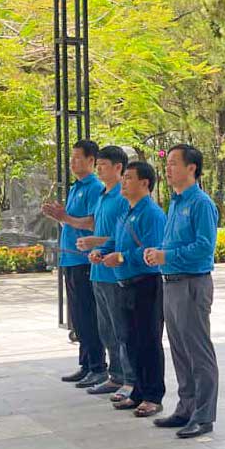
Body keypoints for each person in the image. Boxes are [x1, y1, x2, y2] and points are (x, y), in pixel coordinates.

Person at [144, 144, 220, 439]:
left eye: (174, 163)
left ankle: (204, 415)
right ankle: (185, 407)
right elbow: (172, 243)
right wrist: (158, 253)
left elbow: (204, 247)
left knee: (197, 350)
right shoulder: (175, 203)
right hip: (171, 282)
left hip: (192, 283)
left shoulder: (201, 203)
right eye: (168, 163)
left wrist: (167, 257)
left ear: (192, 168)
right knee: (179, 349)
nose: (168, 168)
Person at [99, 161, 167, 416]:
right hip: (124, 284)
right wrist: (103, 252)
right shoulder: (126, 211)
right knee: (129, 340)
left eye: (128, 178)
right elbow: (116, 241)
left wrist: (122, 257)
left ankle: (153, 395)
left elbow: (152, 250)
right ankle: (137, 390)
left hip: (146, 284)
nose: (124, 182)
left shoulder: (153, 213)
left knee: (148, 341)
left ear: (144, 183)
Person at [41, 140, 107, 387]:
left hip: (84, 259)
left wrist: (64, 216)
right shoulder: (75, 187)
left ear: (92, 161)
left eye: (79, 158)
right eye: (72, 158)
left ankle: (98, 366)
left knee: (89, 314)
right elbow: (69, 221)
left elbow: (91, 223)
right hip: (69, 256)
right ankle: (85, 363)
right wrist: (58, 216)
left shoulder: (94, 188)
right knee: (77, 316)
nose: (73, 162)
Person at [79, 145, 132, 397]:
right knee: (106, 329)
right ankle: (115, 375)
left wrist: (95, 242)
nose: (98, 168)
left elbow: (121, 236)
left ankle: (129, 379)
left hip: (115, 273)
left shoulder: (123, 197)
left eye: (103, 164)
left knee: (121, 329)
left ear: (118, 168)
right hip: (98, 270)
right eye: (97, 164)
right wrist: (94, 248)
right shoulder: (102, 195)